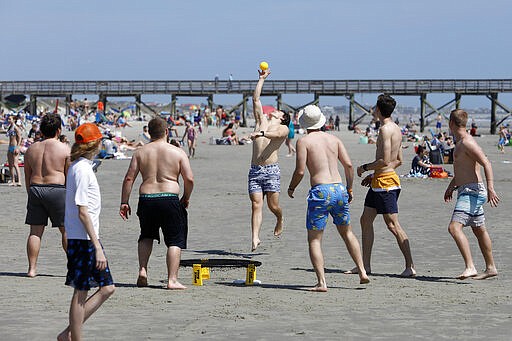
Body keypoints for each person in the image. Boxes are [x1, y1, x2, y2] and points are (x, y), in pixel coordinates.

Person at [288, 105, 369, 292]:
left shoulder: (304, 141)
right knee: (347, 233)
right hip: (339, 189)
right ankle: (363, 271)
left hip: (321, 191)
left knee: (315, 239)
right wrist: (349, 188)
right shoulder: (334, 139)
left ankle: (322, 282)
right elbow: (348, 165)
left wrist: (292, 187)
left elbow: (300, 170)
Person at [120, 117, 193, 290]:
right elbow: (189, 178)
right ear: (166, 132)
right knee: (175, 239)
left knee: (146, 235)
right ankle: (172, 280)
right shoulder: (177, 152)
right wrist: (186, 196)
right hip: (169, 197)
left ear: (149, 133)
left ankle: (143, 270)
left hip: (147, 199)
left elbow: (129, 178)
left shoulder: (140, 152)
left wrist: (124, 202)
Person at [57, 123, 115, 341]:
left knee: (107, 288)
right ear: (95, 143)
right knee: (80, 291)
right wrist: (97, 246)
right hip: (83, 240)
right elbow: (83, 211)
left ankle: (68, 333)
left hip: (86, 238)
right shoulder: (80, 169)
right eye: (100, 140)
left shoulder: (81, 166)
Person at [348, 94, 416, 277]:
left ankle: (410, 266)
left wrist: (364, 168)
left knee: (393, 225)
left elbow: (385, 160)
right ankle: (365, 266)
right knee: (365, 220)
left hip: (386, 184)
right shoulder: (396, 129)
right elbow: (399, 160)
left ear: (378, 109)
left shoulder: (386, 130)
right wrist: (374, 174)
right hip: (380, 181)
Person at [444, 109, 500, 280]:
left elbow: (486, 163)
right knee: (479, 230)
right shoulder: (460, 142)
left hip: (472, 191)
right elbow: (463, 170)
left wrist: (491, 188)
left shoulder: (467, 143)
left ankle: (470, 266)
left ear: (451, 124)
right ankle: (491, 268)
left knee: (454, 228)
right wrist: (451, 186)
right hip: (467, 189)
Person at [248, 68, 290, 251]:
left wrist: (262, 133)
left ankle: (280, 217)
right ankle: (255, 237)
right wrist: (261, 79)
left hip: (271, 170)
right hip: (255, 170)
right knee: (256, 205)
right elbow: (256, 99)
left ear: (283, 118)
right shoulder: (261, 121)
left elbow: (276, 134)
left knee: (273, 206)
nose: (275, 111)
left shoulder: (283, 129)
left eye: (279, 111)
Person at [24, 113, 70, 277]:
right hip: (57, 189)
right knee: (66, 230)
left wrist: (31, 193)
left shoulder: (31, 149)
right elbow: (68, 175)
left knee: (35, 232)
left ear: (42, 131)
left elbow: (27, 176)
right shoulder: (64, 149)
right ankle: (72, 267)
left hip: (36, 188)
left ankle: (32, 269)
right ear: (58, 130)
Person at [6, 115, 22, 186]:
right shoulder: (10, 127)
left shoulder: (15, 127)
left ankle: (19, 181)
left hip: (15, 146)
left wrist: (18, 147)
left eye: (10, 119)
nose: (8, 120)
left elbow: (20, 137)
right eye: (8, 119)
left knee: (15, 164)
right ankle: (13, 181)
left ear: (14, 120)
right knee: (10, 165)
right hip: (10, 147)